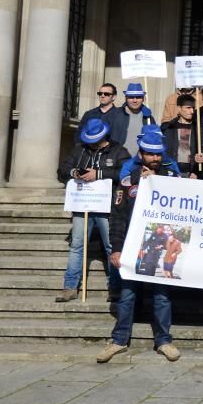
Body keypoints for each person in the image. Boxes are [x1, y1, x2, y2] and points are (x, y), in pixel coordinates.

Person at [97, 131, 181, 364]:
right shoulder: (128, 179)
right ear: (141, 154)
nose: (154, 158)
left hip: (160, 245)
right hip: (133, 245)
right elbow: (118, 216)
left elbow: (181, 207)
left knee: (162, 296)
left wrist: (156, 181)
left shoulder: (171, 175)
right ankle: (119, 340)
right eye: (150, 155)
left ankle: (164, 340)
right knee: (127, 295)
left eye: (157, 155)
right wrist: (116, 248)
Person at [56, 118, 130, 302]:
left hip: (107, 206)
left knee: (111, 246)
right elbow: (62, 169)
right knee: (77, 245)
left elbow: (126, 173)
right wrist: (74, 173)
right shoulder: (80, 149)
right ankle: (70, 286)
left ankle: (115, 288)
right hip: (82, 204)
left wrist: (100, 174)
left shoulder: (118, 151)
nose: (92, 142)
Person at [161, 94, 203, 177]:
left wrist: (196, 171)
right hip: (171, 172)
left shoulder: (199, 129)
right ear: (179, 108)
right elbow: (164, 151)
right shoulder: (169, 128)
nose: (192, 111)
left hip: (192, 173)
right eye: (188, 108)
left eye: (193, 108)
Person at [109, 82, 156, 149]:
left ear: (143, 99)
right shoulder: (115, 114)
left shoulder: (149, 118)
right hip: (119, 158)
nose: (135, 100)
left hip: (140, 159)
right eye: (131, 97)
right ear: (126, 98)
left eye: (138, 97)